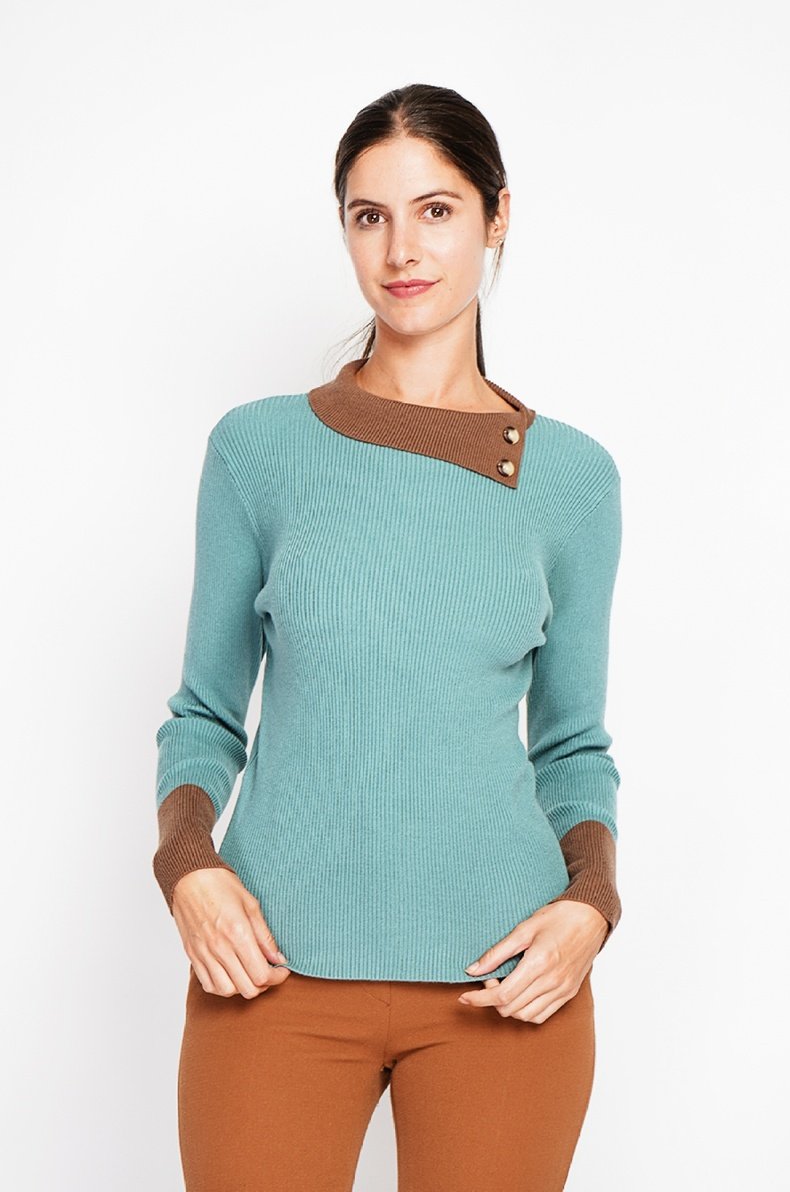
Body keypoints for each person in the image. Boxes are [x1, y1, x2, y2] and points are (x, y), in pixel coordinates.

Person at [152, 83, 623, 1192]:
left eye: (436, 210)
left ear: (496, 216)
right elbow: (205, 716)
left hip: (504, 981)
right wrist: (188, 867)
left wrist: (590, 908)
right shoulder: (259, 452)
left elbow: (570, 746)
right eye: (370, 216)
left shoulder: (571, 479)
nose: (401, 249)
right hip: (272, 972)